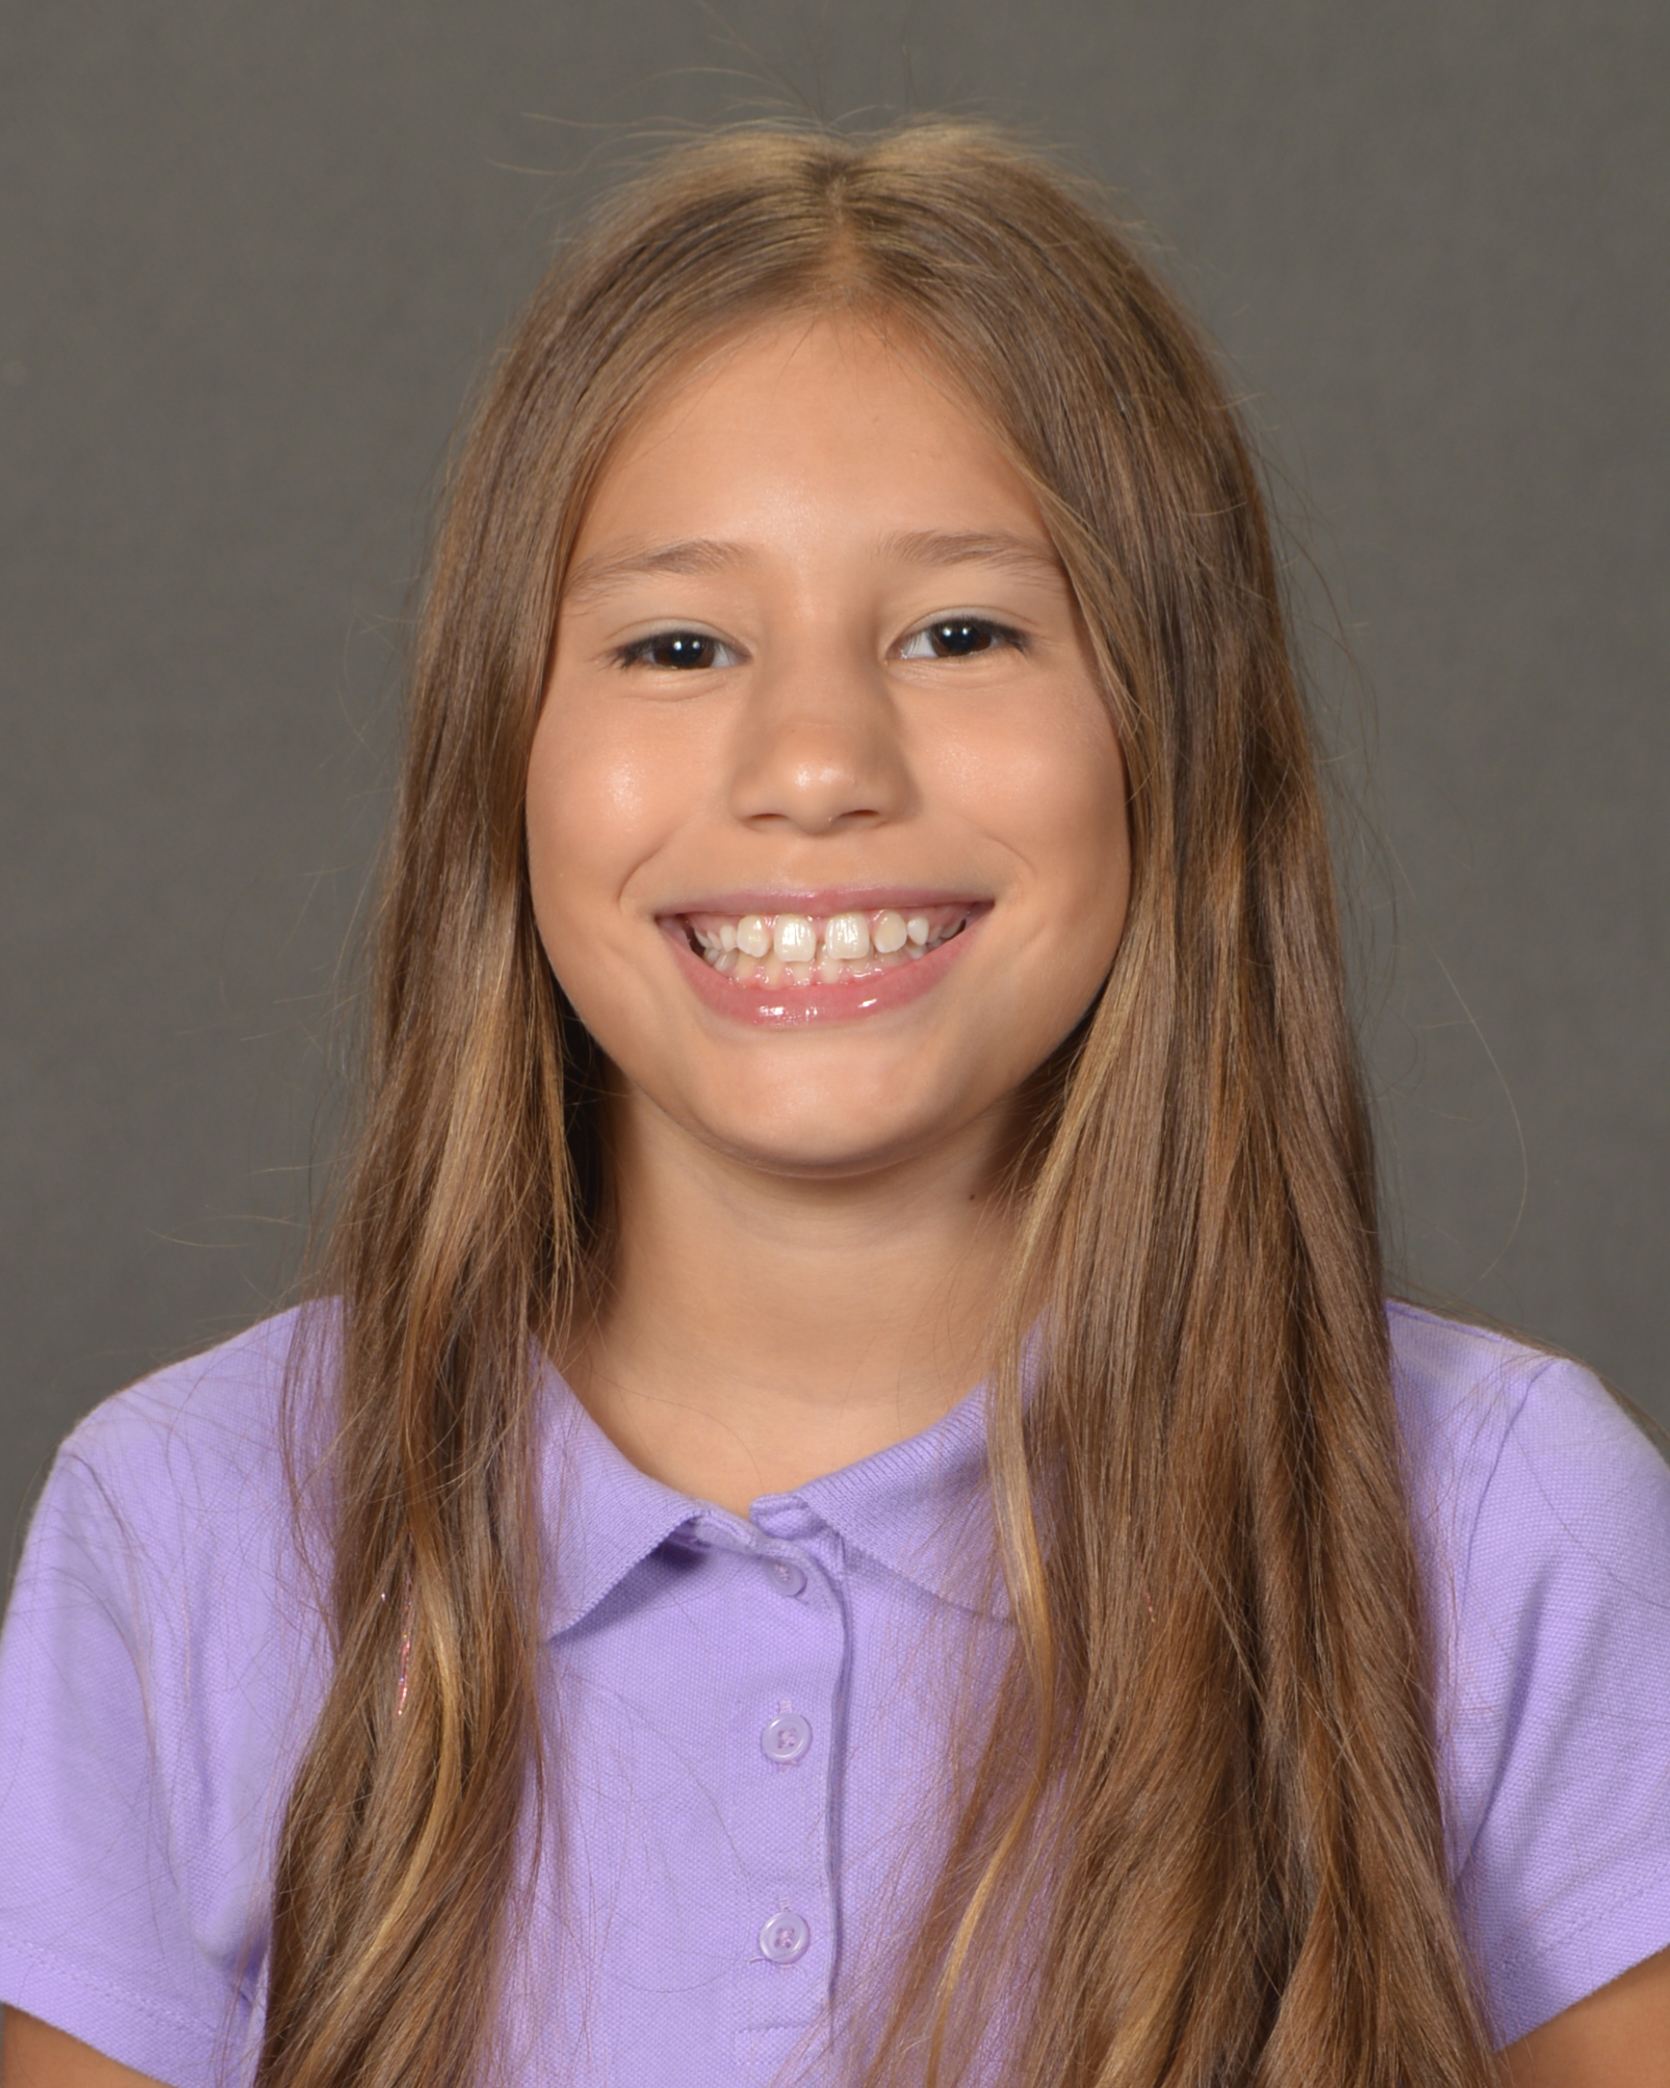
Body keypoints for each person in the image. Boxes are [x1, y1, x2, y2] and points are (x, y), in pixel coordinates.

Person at [0, 120, 1666, 2088]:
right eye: (675, 644)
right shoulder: (182, 1532)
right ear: (498, 751)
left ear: (1174, 729)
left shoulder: (1503, 1530)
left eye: (960, 633)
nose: (812, 763)